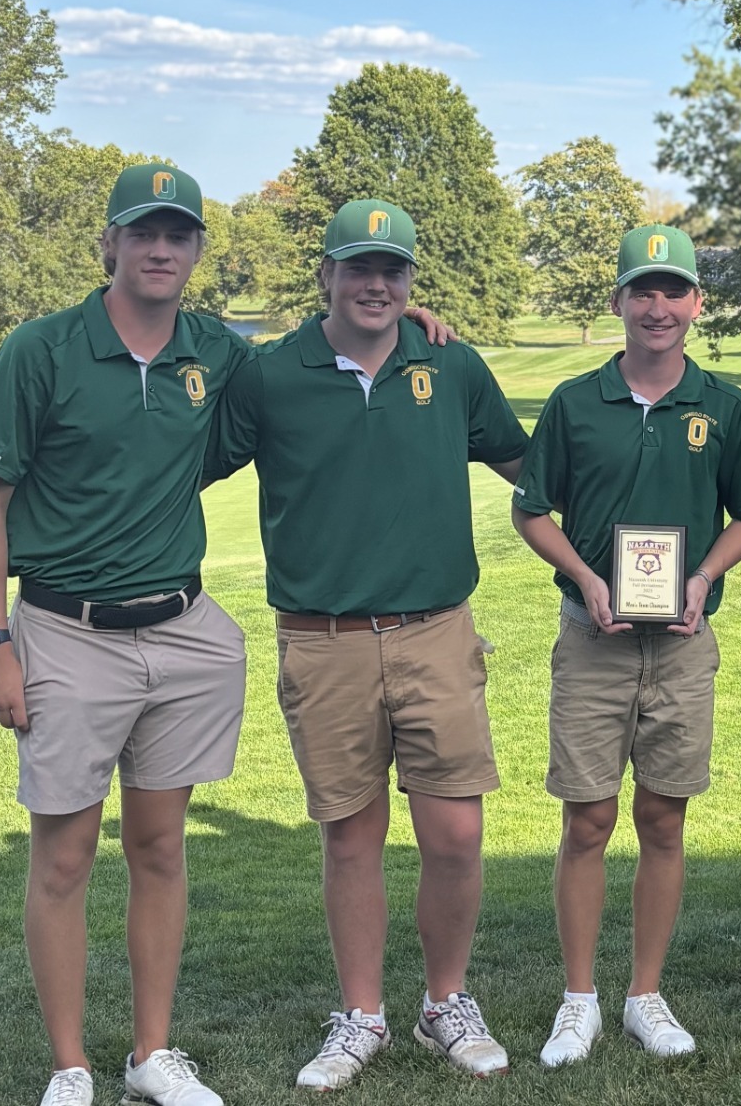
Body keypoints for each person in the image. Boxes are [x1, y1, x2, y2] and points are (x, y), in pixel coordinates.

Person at [204, 199, 526, 1084]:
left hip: (436, 631)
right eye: (359, 268)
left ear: (411, 280)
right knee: (351, 836)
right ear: (327, 275)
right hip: (324, 639)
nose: (376, 285)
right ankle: (361, 1014)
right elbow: (183, 462)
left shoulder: (450, 362)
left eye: (393, 270)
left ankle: (444, 1003)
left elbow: (526, 465)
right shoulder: (271, 375)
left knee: (455, 834)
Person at [0, 163, 251, 1106]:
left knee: (161, 847)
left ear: (198, 249)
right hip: (65, 630)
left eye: (177, 234)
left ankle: (150, 1054)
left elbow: (324, 353)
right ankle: (70, 1063)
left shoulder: (217, 349)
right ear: (111, 245)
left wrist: (408, 320)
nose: (160, 249)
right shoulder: (42, 350)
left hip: (180, 627)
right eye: (142, 233)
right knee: (65, 855)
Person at [511, 224, 741, 1066]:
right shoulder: (575, 402)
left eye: (674, 291)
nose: (658, 307)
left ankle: (645, 995)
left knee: (664, 816)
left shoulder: (723, 407)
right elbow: (532, 509)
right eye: (642, 291)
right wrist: (588, 578)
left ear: (697, 303)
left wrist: (700, 579)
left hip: (684, 644)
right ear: (619, 300)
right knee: (587, 818)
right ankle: (578, 997)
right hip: (594, 639)